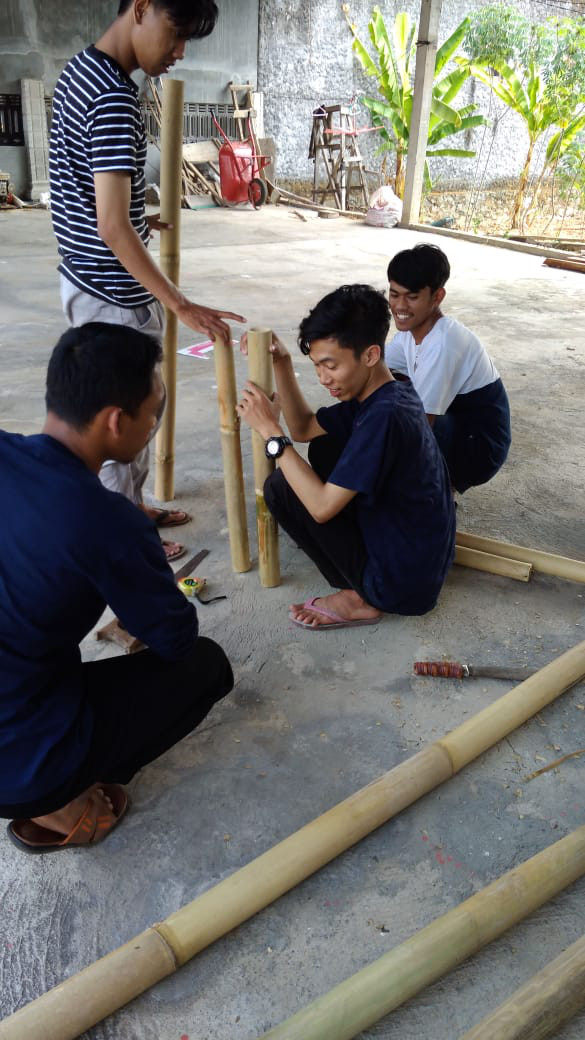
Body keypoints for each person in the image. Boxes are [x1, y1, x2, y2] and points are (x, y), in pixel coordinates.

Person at [0, 324, 233, 852]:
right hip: (18, 761)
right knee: (206, 666)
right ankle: (56, 797)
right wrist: (143, 590)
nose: (154, 424)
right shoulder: (110, 521)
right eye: (153, 413)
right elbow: (174, 639)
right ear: (115, 420)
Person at [49, 0, 245, 559]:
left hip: (83, 279)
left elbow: (88, 193)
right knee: (124, 421)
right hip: (113, 294)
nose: (179, 52)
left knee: (117, 415)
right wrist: (181, 305)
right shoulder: (113, 97)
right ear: (141, 8)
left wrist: (140, 215)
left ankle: (128, 511)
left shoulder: (80, 71)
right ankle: (123, 539)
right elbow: (111, 225)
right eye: (176, 34)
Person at [237, 284, 455, 630]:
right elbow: (305, 427)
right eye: (316, 366)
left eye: (330, 365)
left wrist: (270, 434)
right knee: (325, 446)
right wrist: (282, 362)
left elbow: (322, 506)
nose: (323, 378)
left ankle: (358, 598)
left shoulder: (385, 417)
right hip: (420, 562)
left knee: (283, 486)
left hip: (400, 586)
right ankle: (363, 579)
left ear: (369, 355)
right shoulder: (388, 388)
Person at [385, 243, 511, 494]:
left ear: (437, 297)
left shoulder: (443, 343)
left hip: (480, 448)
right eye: (394, 294)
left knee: (407, 420)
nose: (399, 306)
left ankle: (438, 495)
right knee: (388, 388)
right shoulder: (409, 335)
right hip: (457, 426)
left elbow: (421, 424)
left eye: (412, 297)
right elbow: (374, 369)